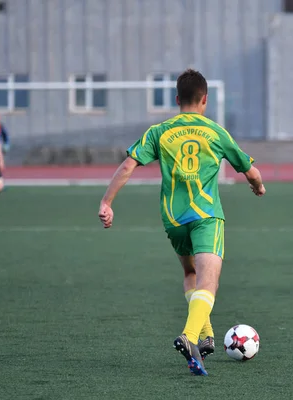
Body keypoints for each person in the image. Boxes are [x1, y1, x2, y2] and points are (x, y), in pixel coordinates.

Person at [98, 69, 266, 376]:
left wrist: (107, 202)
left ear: (177, 100)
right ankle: (189, 337)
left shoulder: (160, 131)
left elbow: (127, 165)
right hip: (206, 218)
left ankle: (206, 336)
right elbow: (249, 169)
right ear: (204, 100)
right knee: (209, 281)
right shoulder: (215, 132)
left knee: (191, 273)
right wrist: (257, 185)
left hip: (174, 220)